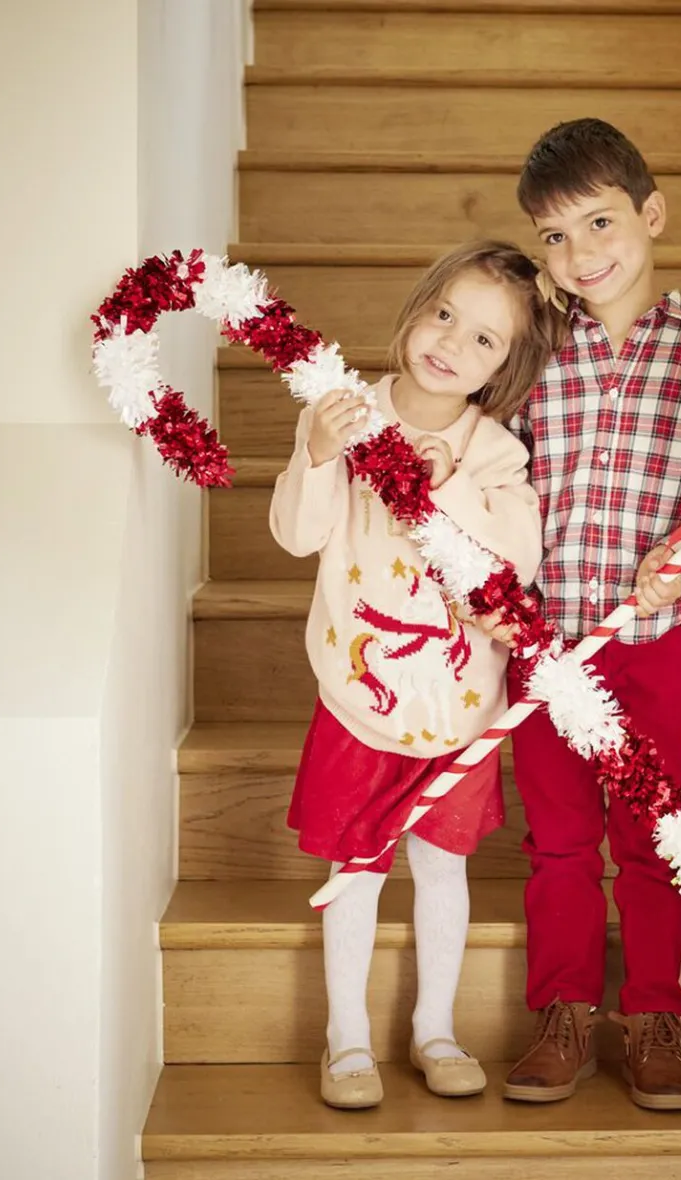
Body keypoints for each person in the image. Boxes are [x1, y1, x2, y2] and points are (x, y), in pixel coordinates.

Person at [270, 240, 562, 1109]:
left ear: (503, 370)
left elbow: (515, 559)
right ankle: (347, 1038)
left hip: (455, 713)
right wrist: (318, 452)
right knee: (356, 871)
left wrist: (449, 487)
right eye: (444, 315)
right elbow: (296, 533)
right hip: (359, 703)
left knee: (442, 870)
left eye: (484, 340)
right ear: (417, 307)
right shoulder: (346, 414)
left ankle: (435, 1027)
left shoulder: (495, 455)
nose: (450, 344)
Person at [493, 118, 681, 1111]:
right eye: (554, 236)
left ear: (650, 213)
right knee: (556, 840)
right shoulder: (535, 349)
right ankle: (565, 1012)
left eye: (599, 222)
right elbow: (495, 477)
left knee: (653, 833)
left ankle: (655, 1016)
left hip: (656, 644)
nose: (580, 253)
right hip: (548, 645)